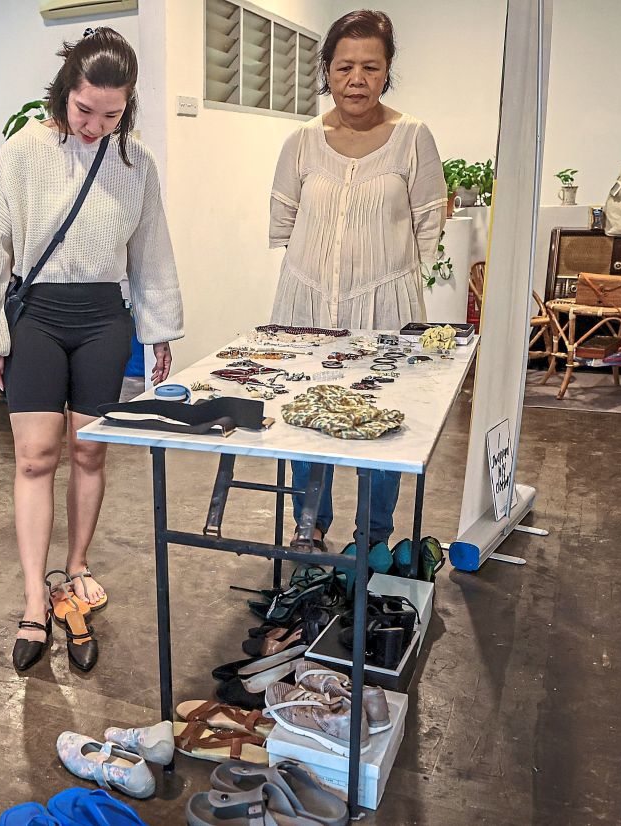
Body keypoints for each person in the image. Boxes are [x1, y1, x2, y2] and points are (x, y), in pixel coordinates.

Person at [0, 27, 184, 672]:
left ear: (128, 108)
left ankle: (75, 574)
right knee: (34, 457)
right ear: (64, 93)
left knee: (89, 451)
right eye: (84, 109)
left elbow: (151, 252)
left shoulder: (134, 161)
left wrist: (158, 327)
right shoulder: (23, 151)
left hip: (102, 319)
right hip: (36, 315)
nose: (94, 125)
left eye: (111, 114)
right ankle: (35, 599)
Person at [268, 10, 446, 551]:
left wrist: (398, 291)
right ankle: (309, 527)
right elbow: (284, 224)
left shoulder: (412, 137)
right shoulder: (301, 140)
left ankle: (371, 538)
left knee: (383, 423)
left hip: (387, 305)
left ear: (387, 72)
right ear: (327, 71)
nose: (357, 79)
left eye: (371, 67)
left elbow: (428, 227)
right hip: (307, 304)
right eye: (344, 67)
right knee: (304, 416)